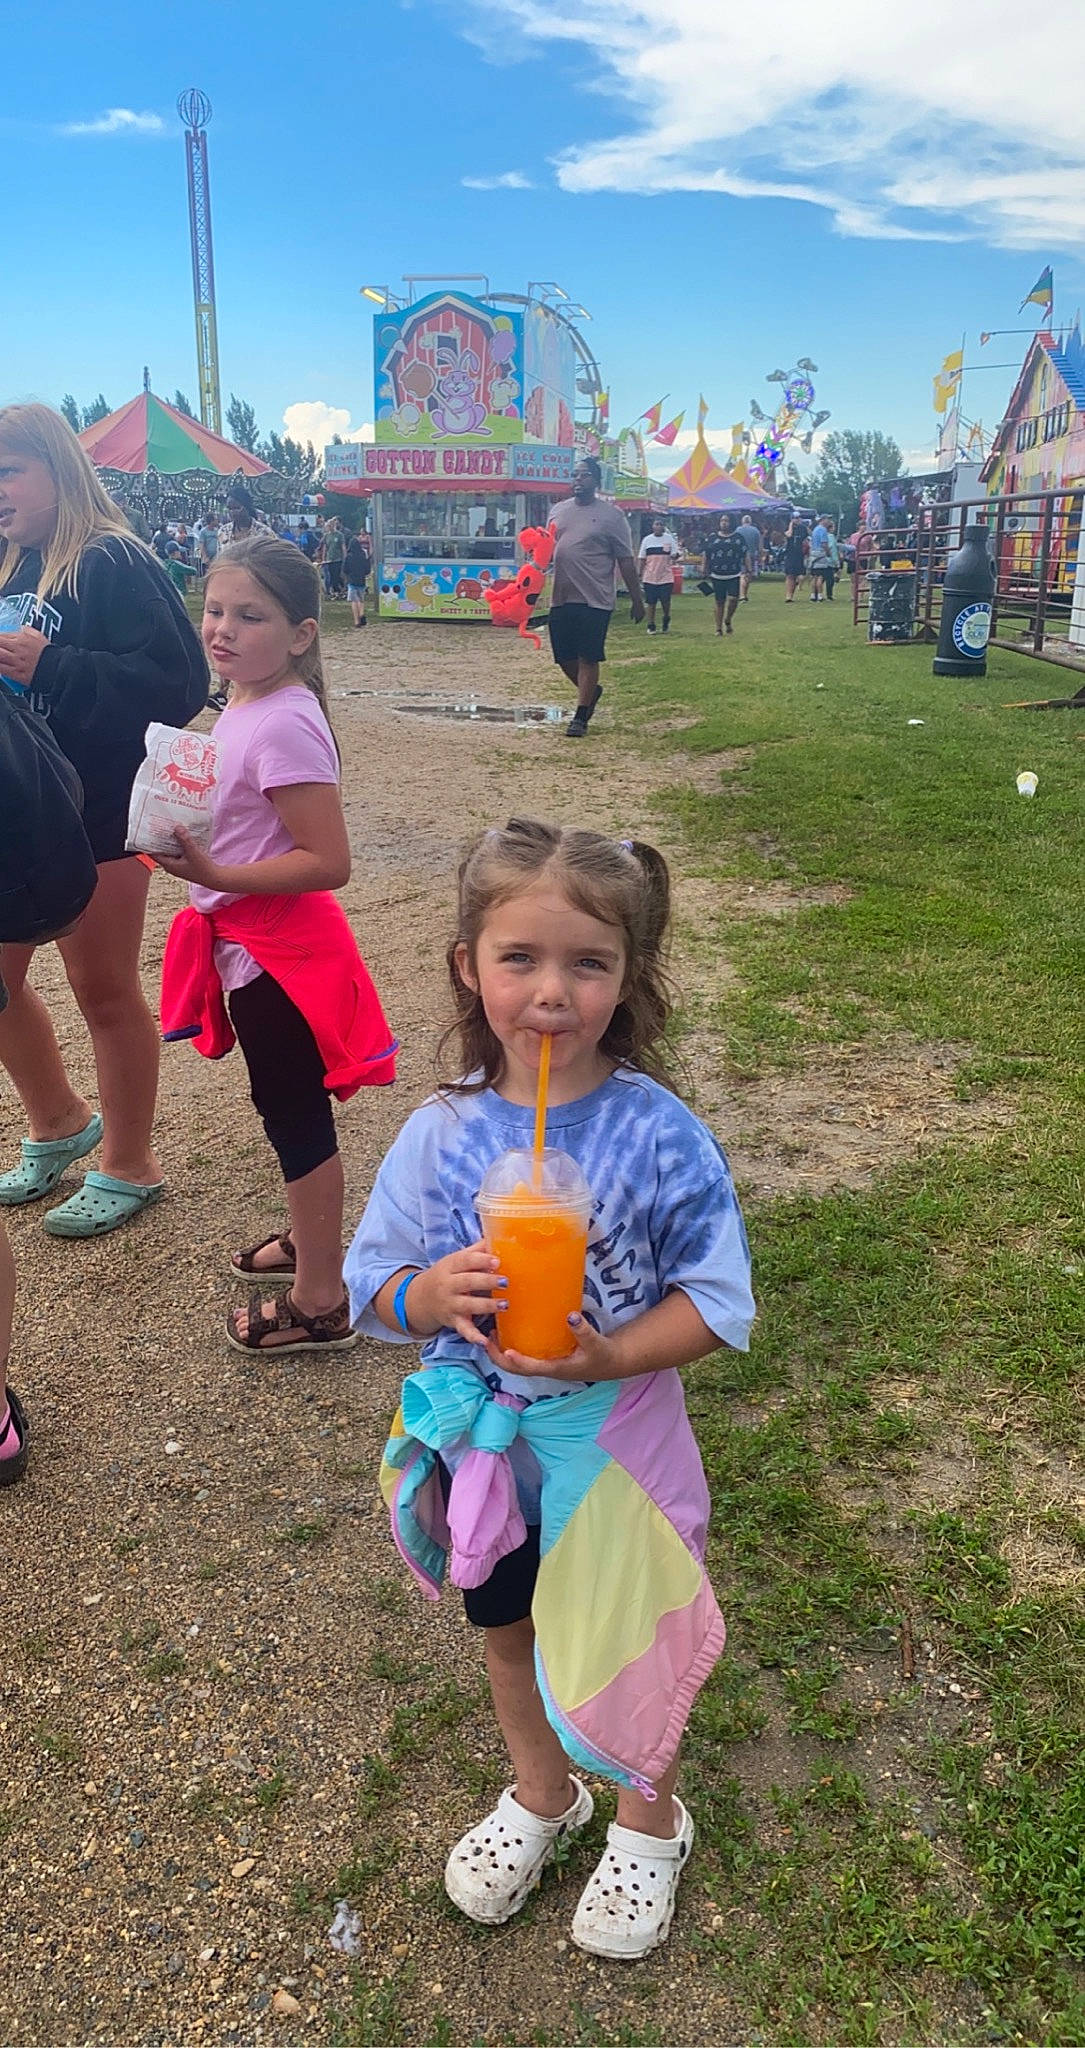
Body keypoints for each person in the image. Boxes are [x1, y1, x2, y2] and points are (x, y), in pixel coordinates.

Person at [345, 818, 754, 1957]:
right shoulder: (439, 1133)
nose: (550, 990)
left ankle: (646, 1814)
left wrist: (608, 1353)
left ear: (627, 979)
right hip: (487, 1442)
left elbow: (717, 1299)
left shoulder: (657, 1135)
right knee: (506, 1624)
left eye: (587, 962)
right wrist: (426, 1295)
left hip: (613, 1436)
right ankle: (541, 1788)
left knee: (631, 1635)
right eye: (517, 957)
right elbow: (366, 1282)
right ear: (466, 965)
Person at [156, 536, 396, 1353]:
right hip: (251, 943)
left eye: (248, 616)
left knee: (294, 1113)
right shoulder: (245, 703)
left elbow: (328, 861)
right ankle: (313, 1238)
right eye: (214, 610)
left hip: (281, 956)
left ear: (299, 634)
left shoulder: (286, 720)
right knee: (284, 1106)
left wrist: (216, 867)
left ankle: (322, 1298)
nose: (221, 629)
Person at [0, 402, 208, 1236]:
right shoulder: (16, 563)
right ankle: (57, 1121)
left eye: (9, 471)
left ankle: (131, 1160)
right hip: (18, 808)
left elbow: (178, 682)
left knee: (104, 991)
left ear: (58, 470)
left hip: (97, 813)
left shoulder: (112, 559)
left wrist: (59, 663)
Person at [548, 458, 645, 739]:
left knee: (588, 656)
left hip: (595, 598)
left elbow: (625, 560)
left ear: (597, 482)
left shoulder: (612, 516)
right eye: (574, 475)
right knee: (564, 657)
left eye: (585, 475)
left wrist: (637, 600)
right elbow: (546, 548)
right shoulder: (557, 511)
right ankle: (591, 692)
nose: (578, 479)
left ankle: (580, 717)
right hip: (561, 596)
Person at [703, 514, 746, 635]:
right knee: (719, 601)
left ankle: (728, 619)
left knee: (733, 599)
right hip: (717, 573)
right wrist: (704, 567)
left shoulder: (738, 538)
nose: (724, 523)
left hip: (733, 573)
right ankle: (718, 628)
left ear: (731, 522)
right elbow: (706, 553)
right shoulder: (712, 537)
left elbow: (745, 552)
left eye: (726, 521)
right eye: (722, 520)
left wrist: (748, 569)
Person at [637, 516, 680, 635]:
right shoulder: (647, 540)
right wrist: (639, 573)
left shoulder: (669, 539)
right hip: (650, 576)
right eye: (656, 524)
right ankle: (651, 624)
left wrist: (675, 555)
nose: (658, 527)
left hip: (665, 576)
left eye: (661, 524)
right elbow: (642, 558)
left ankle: (666, 617)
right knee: (651, 602)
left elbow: (675, 554)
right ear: (652, 526)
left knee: (665, 601)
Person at [343, 529, 371, 627]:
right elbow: (367, 569)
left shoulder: (349, 557)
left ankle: (356, 621)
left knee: (354, 601)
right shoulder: (363, 554)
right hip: (361, 580)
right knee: (361, 600)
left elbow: (345, 569)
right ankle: (362, 613)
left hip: (352, 581)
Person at [734, 515, 762, 600]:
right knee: (748, 574)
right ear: (750, 521)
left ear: (742, 521)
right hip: (752, 555)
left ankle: (742, 595)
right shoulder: (756, 531)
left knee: (742, 574)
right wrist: (760, 555)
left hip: (740, 555)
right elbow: (759, 545)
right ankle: (744, 594)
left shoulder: (737, 530)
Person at [807, 513, 832, 601]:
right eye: (828, 519)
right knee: (820, 576)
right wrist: (828, 552)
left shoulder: (815, 529)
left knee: (814, 576)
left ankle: (813, 595)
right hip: (820, 553)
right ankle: (820, 595)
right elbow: (824, 543)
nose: (829, 521)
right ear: (823, 520)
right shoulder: (823, 530)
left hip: (813, 552)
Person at [782, 517, 808, 602]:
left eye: (797, 518)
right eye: (794, 518)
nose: (796, 520)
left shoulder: (803, 528)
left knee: (801, 575)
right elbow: (788, 535)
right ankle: (789, 596)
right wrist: (791, 526)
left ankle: (795, 586)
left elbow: (807, 538)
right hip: (790, 554)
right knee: (790, 575)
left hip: (800, 555)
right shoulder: (787, 527)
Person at [322, 516, 347, 598]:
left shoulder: (340, 535)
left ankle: (341, 590)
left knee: (338, 575)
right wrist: (323, 558)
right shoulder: (326, 536)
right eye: (328, 526)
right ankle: (336, 591)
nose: (329, 527)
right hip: (329, 559)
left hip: (338, 559)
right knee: (332, 576)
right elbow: (325, 548)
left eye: (331, 525)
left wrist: (345, 557)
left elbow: (343, 547)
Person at [822, 518, 841, 601]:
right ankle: (829, 595)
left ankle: (817, 593)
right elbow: (832, 549)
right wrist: (836, 561)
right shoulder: (831, 537)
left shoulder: (822, 535)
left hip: (821, 559)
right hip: (829, 561)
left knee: (821, 577)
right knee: (830, 579)